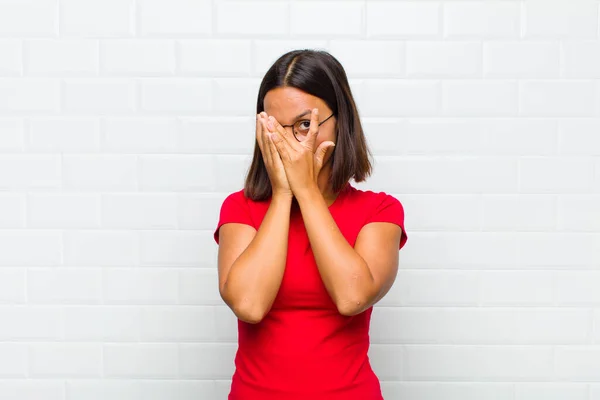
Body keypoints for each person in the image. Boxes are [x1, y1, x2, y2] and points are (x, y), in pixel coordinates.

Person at [213, 49, 408, 400]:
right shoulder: (240, 209)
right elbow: (249, 304)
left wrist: (306, 191)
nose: (291, 142)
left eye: (305, 125)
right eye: (276, 127)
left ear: (340, 120)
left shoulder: (379, 210)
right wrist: (284, 194)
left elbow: (352, 297)